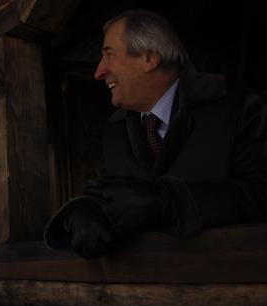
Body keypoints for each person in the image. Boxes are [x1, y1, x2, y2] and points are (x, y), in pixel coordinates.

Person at [44, 9, 267, 259]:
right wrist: (79, 213)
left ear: (149, 58)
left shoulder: (238, 108)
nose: (98, 71)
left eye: (109, 55)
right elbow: (104, 193)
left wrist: (170, 204)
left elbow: (260, 193)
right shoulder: (116, 132)